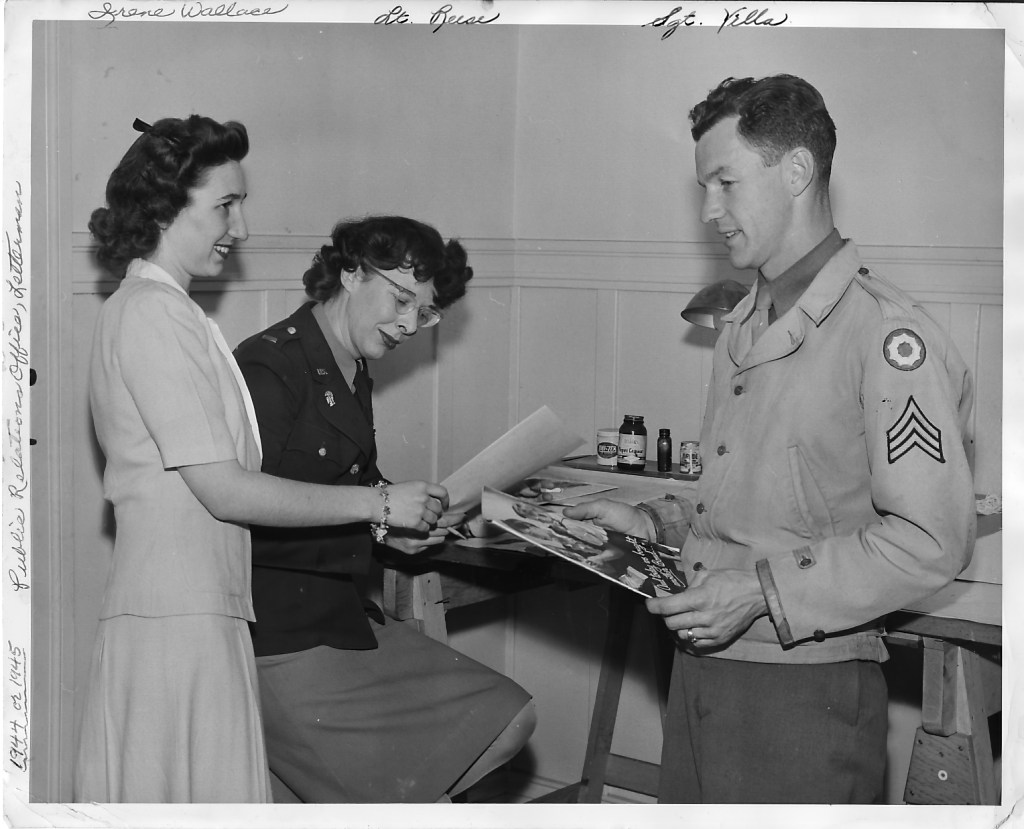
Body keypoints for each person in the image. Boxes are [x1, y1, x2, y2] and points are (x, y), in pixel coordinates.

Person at [565, 75, 976, 804]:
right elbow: (752, 499)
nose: (707, 212)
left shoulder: (884, 334)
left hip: (804, 694)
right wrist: (653, 520)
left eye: (724, 182)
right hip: (701, 672)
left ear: (795, 171)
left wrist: (758, 593)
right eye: (703, 187)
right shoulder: (745, 324)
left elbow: (931, 539)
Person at [75, 118, 447, 804]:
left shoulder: (174, 314)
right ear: (164, 205)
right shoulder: (150, 315)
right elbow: (226, 490)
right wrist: (378, 504)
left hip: (203, 612)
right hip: (173, 623)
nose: (240, 228)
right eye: (225, 204)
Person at [233, 216, 536, 804]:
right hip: (276, 635)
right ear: (348, 272)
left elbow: (340, 486)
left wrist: (395, 530)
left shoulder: (351, 364)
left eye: (423, 313)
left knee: (508, 716)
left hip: (340, 616)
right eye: (400, 299)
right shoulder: (269, 366)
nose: (407, 325)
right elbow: (243, 510)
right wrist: (378, 510)